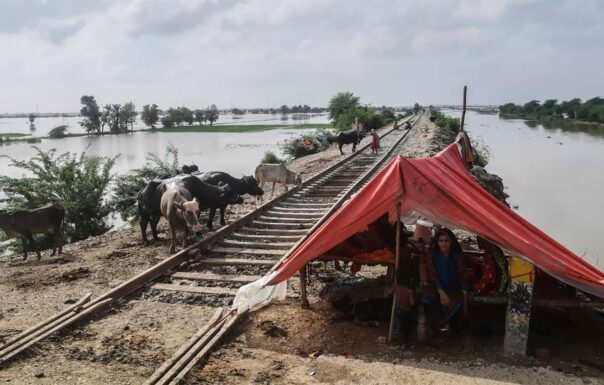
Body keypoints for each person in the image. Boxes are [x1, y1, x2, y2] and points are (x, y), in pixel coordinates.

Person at [420, 228, 473, 351]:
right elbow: (432, 275)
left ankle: (465, 340)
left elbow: (463, 277)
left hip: (452, 289)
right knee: (427, 302)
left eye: (446, 241)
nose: (443, 244)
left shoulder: (457, 257)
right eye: (441, 241)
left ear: (451, 242)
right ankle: (431, 339)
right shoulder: (433, 255)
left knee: (460, 308)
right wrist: (441, 292)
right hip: (436, 288)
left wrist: (464, 303)